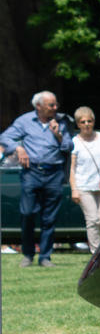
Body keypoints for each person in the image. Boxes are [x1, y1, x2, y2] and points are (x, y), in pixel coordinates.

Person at [0, 91, 73, 266]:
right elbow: (5, 137)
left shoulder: (62, 122)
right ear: (38, 106)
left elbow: (69, 146)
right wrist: (18, 148)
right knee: (27, 213)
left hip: (54, 173)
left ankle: (45, 257)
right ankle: (28, 254)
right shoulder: (25, 121)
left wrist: (58, 135)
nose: (55, 108)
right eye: (51, 105)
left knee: (49, 218)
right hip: (31, 173)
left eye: (56, 104)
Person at [68, 107, 100, 253]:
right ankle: (96, 252)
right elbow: (72, 168)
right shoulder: (75, 141)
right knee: (92, 220)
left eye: (89, 121)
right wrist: (74, 189)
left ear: (93, 122)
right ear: (78, 124)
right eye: (83, 122)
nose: (87, 124)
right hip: (83, 186)